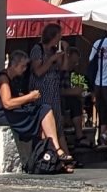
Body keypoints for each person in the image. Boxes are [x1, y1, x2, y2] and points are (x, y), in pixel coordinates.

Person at [0, 49, 52, 171]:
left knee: (43, 115)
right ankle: (56, 151)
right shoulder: (4, 79)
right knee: (43, 110)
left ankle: (52, 154)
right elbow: (7, 103)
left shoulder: (14, 79)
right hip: (6, 115)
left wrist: (22, 97)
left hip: (12, 113)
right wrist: (29, 97)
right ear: (14, 65)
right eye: (22, 66)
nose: (25, 69)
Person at [28, 39, 76, 170]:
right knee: (48, 125)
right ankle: (58, 156)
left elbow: (64, 68)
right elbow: (38, 71)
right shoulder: (38, 49)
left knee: (58, 124)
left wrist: (64, 52)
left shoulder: (55, 51)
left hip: (54, 91)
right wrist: (51, 59)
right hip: (42, 91)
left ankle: (64, 157)